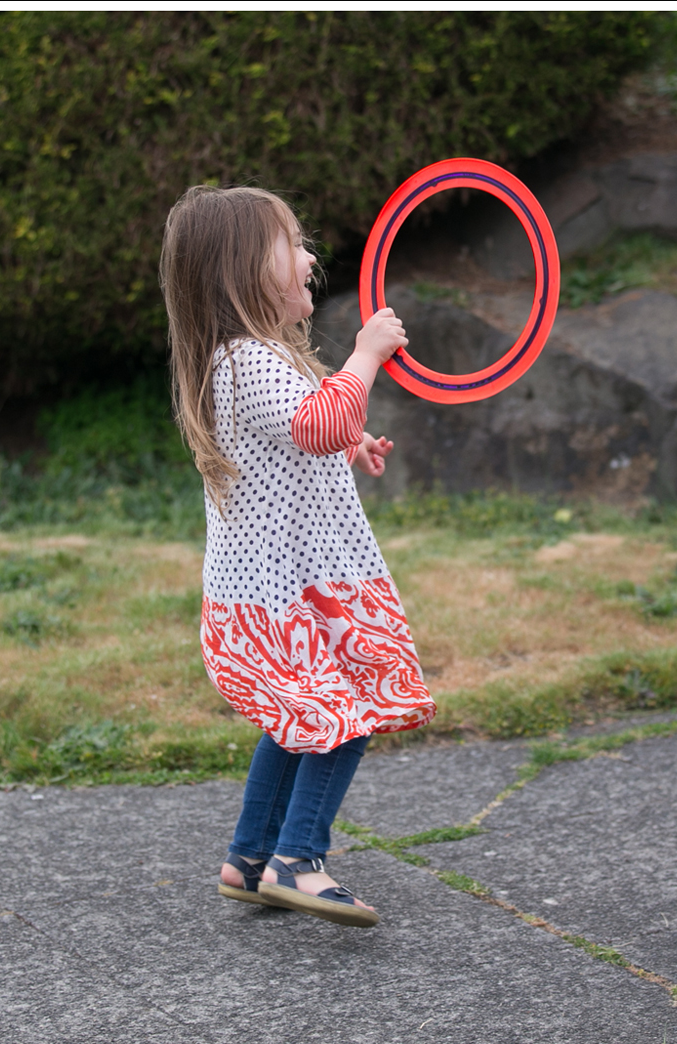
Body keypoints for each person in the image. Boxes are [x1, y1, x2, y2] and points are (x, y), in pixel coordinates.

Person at [159, 186, 435, 928]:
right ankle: (299, 861)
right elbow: (317, 420)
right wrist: (366, 354)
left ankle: (249, 860)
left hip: (272, 594)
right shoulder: (248, 360)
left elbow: (305, 435)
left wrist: (353, 442)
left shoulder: (245, 360)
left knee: (297, 717)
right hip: (290, 595)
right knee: (348, 705)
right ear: (244, 272)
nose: (311, 257)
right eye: (294, 246)